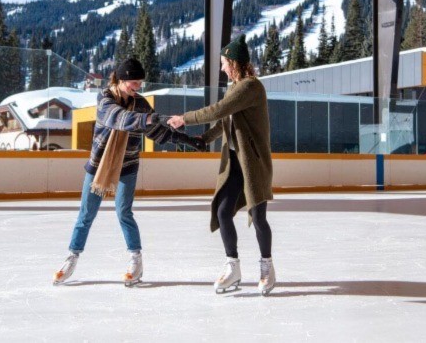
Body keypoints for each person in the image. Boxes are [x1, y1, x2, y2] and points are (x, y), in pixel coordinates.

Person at [53, 58, 204, 286]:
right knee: (86, 214)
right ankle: (72, 257)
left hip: (128, 165)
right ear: (122, 80)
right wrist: (149, 117)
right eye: (134, 82)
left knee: (124, 212)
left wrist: (188, 141)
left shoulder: (140, 104)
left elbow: (158, 131)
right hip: (100, 164)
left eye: (140, 83)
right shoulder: (105, 99)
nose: (138, 87)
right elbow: (118, 118)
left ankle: (135, 259)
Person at [167, 34, 276, 296]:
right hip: (235, 164)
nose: (222, 68)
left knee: (258, 218)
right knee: (223, 212)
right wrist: (204, 139)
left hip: (254, 164)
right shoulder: (235, 87)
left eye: (224, 63)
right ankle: (233, 266)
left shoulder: (250, 87)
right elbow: (223, 121)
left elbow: (218, 110)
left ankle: (267, 267)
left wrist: (185, 119)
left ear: (234, 63)